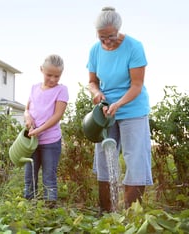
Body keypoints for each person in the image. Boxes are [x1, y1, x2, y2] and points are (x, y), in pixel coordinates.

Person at [86, 7, 153, 213]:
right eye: (102, 37)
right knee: (105, 160)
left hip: (132, 109)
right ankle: (106, 212)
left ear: (119, 29)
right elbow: (92, 81)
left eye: (111, 36)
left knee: (135, 159)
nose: (107, 41)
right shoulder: (95, 50)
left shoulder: (134, 47)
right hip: (105, 112)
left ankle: (132, 214)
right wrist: (96, 93)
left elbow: (136, 85)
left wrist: (119, 104)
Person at [23, 54, 69, 208]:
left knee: (49, 176)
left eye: (57, 76)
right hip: (32, 142)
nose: (53, 79)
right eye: (49, 75)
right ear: (41, 70)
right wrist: (28, 117)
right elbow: (27, 109)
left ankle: (50, 210)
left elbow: (57, 116)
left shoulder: (61, 90)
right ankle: (29, 208)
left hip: (50, 141)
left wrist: (39, 130)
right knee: (29, 176)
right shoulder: (34, 88)